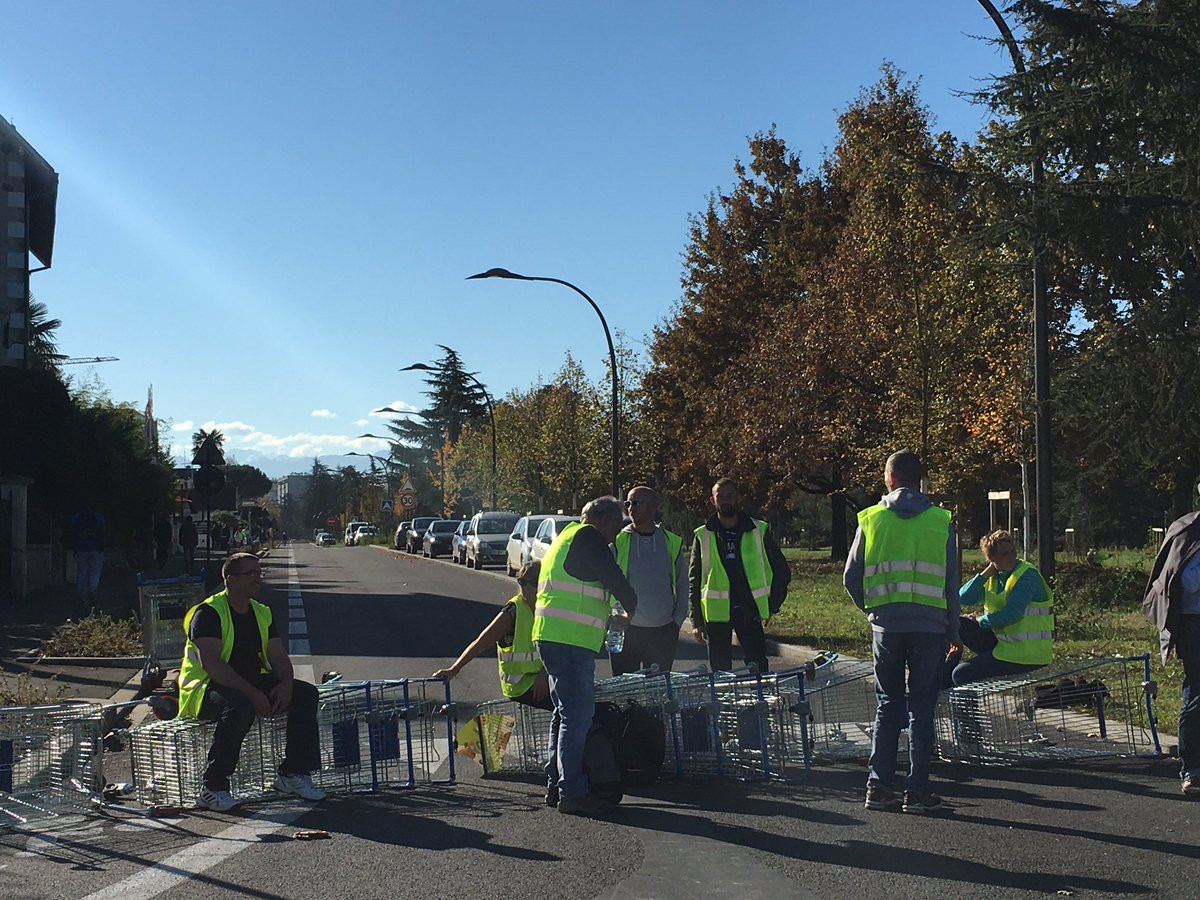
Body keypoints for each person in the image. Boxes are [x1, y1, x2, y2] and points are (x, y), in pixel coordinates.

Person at [844, 450, 959, 815]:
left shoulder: (871, 518)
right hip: (930, 627)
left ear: (890, 478)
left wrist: (874, 610)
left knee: (888, 705)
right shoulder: (941, 521)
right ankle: (917, 792)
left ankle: (878, 787)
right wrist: (953, 629)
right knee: (922, 709)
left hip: (886, 626)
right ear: (919, 480)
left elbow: (851, 576)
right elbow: (950, 583)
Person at [178, 552, 325, 811]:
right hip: (204, 689)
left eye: (259, 572)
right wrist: (253, 693)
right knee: (239, 706)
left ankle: (292, 774)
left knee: (305, 694)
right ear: (230, 579)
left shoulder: (261, 612)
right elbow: (213, 665)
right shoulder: (208, 613)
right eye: (250, 573)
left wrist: (286, 683)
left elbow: (277, 656)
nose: (258, 579)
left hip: (247, 683)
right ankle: (213, 787)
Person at [533, 495, 637, 818]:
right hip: (570, 639)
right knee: (578, 716)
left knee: (564, 713)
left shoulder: (565, 537)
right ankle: (573, 793)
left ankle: (556, 783)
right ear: (604, 519)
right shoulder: (589, 537)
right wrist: (630, 606)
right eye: (617, 526)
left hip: (552, 635)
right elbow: (615, 579)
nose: (616, 535)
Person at [689, 478, 791, 673]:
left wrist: (771, 605)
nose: (725, 500)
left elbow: (782, 572)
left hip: (749, 610)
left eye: (730, 495)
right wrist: (696, 621)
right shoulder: (703, 535)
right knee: (720, 674)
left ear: (738, 498)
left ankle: (761, 694)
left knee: (758, 669)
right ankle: (724, 696)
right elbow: (694, 580)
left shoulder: (758, 530)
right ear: (713, 500)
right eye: (720, 496)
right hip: (716, 615)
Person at [433, 560, 551, 710]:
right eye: (522, 581)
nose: (526, 587)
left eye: (532, 582)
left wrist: (544, 673)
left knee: (572, 702)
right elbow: (481, 642)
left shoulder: (549, 607)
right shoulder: (513, 611)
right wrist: (454, 669)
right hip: (521, 685)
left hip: (543, 677)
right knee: (571, 707)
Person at [946, 529, 1053, 686]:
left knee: (960, 674)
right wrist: (984, 574)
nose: (1011, 557)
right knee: (958, 623)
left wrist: (980, 620)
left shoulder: (1027, 575)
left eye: (1012, 551)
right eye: (1004, 554)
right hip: (1005, 647)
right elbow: (963, 597)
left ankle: (954, 696)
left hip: (1028, 655)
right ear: (992, 558)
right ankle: (944, 675)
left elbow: (1011, 614)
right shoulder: (994, 577)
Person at [1143, 510, 1200, 796]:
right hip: (1194, 623)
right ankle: (1193, 769)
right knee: (1196, 690)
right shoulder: (1187, 531)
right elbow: (1185, 580)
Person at [611, 486, 688, 675]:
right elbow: (606, 582)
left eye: (636, 503)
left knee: (658, 688)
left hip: (662, 631)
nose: (631, 508)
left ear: (653, 507)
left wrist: (677, 621)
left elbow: (683, 583)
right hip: (625, 629)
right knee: (624, 687)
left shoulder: (670, 542)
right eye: (628, 504)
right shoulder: (618, 541)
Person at [70, 510, 105, 614]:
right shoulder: (98, 516)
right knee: (94, 573)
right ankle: (92, 591)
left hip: (81, 550)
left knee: (82, 575)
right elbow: (102, 532)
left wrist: (74, 548)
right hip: (95, 549)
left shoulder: (76, 517)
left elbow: (72, 533)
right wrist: (101, 547)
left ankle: (83, 599)